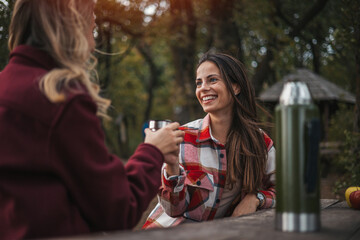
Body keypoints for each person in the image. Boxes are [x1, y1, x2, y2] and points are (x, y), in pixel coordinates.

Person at [0, 0, 184, 239]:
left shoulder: (6, 86)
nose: (95, 23)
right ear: (73, 21)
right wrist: (153, 150)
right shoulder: (59, 98)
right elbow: (118, 210)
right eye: (91, 15)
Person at [143, 52, 276, 229]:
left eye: (212, 80)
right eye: (199, 83)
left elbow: (287, 189)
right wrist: (172, 166)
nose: (203, 88)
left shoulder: (259, 143)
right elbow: (173, 209)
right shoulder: (183, 138)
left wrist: (256, 198)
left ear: (236, 87)